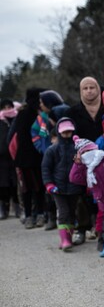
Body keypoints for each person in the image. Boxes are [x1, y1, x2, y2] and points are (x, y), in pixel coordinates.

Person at [64, 77, 104, 246]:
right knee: (80, 194)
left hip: (103, 156)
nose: (89, 91)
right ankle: (82, 228)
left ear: (98, 89)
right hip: (81, 159)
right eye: (85, 88)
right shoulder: (72, 112)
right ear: (81, 91)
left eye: (92, 87)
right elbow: (67, 137)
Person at [41, 118, 86, 251]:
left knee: (72, 212)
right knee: (63, 212)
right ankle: (65, 239)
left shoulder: (78, 148)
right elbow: (46, 168)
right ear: (59, 132)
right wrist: (49, 184)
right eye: (64, 132)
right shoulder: (52, 150)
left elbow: (85, 166)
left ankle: (68, 238)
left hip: (74, 187)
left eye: (69, 132)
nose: (67, 134)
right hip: (58, 188)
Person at [69, 136, 104, 258]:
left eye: (89, 151)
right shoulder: (86, 168)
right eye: (84, 153)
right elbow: (74, 178)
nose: (88, 154)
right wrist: (77, 164)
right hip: (103, 201)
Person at [8, 87, 46, 229]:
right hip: (32, 157)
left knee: (30, 188)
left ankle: (33, 215)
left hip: (26, 157)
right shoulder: (33, 114)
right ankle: (36, 214)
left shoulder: (25, 114)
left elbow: (13, 136)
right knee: (35, 188)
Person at [0, 99, 20, 220]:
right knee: (2, 183)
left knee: (15, 182)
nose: (8, 109)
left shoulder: (17, 119)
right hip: (1, 158)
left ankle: (17, 206)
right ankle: (3, 206)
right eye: (4, 107)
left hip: (15, 156)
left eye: (9, 107)